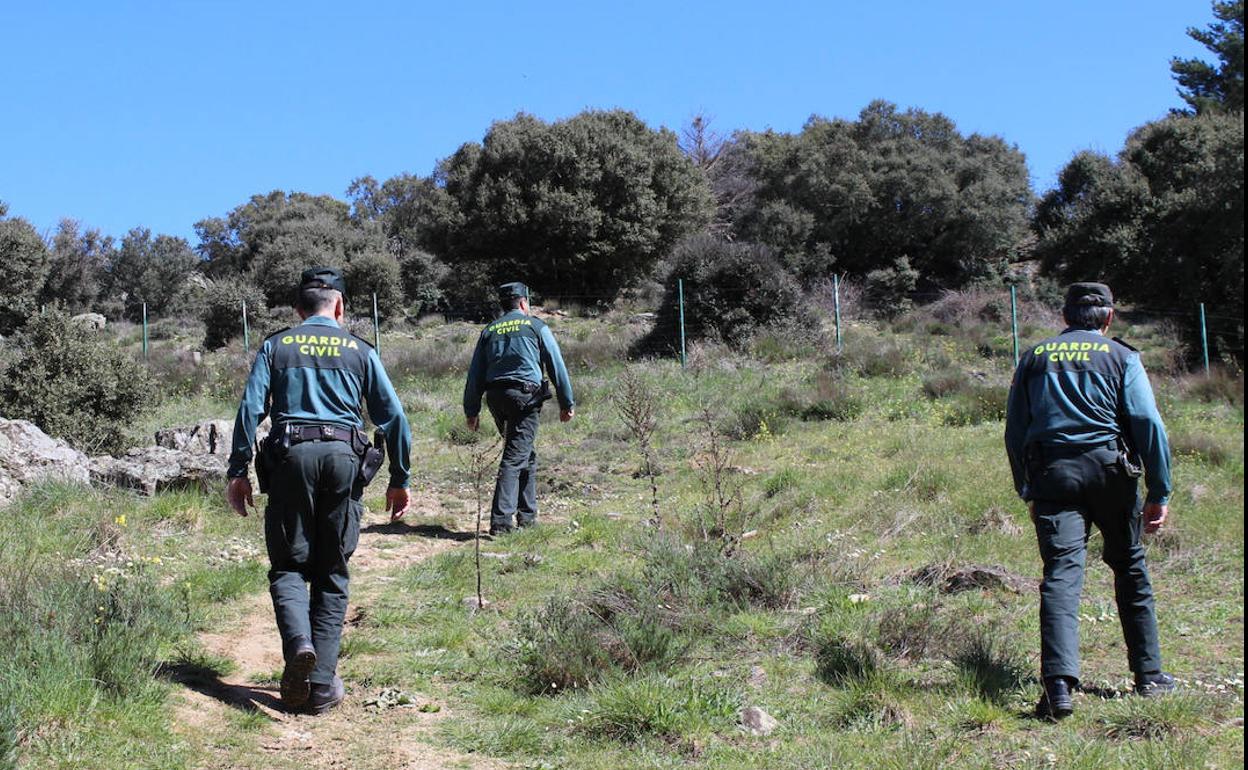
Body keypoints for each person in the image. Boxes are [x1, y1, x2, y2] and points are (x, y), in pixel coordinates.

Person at [225, 267, 411, 715]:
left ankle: (299, 645)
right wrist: (399, 479)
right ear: (340, 306)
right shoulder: (360, 350)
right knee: (332, 570)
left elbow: (250, 409)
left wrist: (238, 470)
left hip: (291, 458)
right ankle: (322, 686)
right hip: (345, 459)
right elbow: (395, 418)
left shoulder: (276, 346)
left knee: (289, 565)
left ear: (298, 310)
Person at [1005, 282, 1176, 720]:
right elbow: (1146, 421)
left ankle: (1058, 686)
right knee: (1129, 566)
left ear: (1065, 316)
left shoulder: (1035, 357)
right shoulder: (1122, 357)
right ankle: (1149, 675)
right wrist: (1159, 491)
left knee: (1061, 575)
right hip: (1111, 473)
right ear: (1109, 317)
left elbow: (1016, 429)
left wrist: (1026, 487)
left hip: (1052, 475)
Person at [463, 282, 574, 535]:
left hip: (496, 397)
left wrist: (472, 410)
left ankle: (527, 516)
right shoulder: (535, 326)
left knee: (524, 453)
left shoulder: (490, 330)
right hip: (524, 397)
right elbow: (556, 364)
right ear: (524, 303)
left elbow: (475, 373)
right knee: (514, 457)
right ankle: (501, 524)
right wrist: (566, 402)